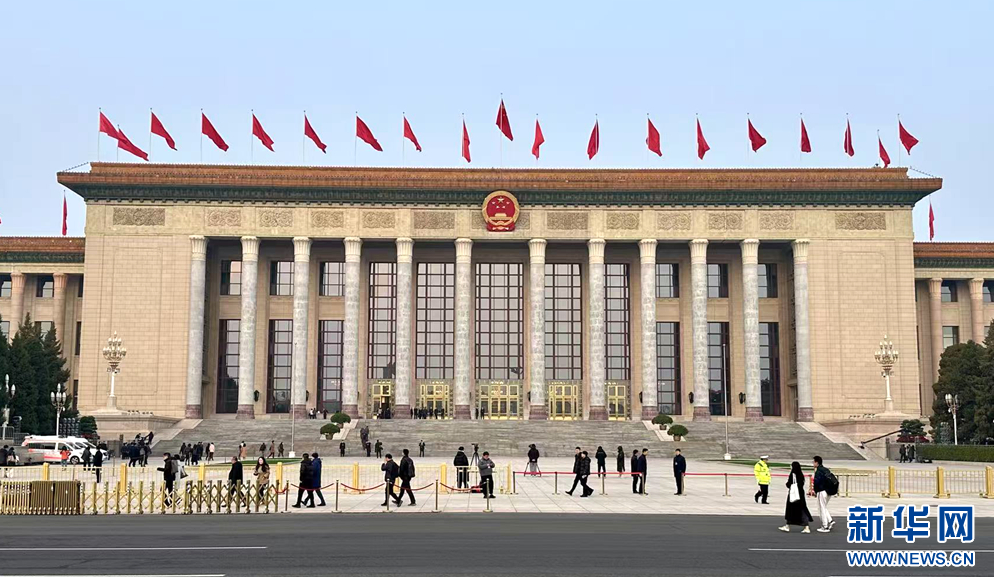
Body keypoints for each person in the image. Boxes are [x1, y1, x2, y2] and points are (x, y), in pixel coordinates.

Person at [779, 461, 813, 533]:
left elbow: (789, 484)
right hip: (800, 494)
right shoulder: (801, 474)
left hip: (793, 494)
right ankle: (806, 526)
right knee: (802, 509)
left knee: (790, 510)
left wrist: (787, 484)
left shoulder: (793, 475)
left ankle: (787, 526)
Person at [811, 455, 836, 533]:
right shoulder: (826, 470)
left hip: (821, 491)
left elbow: (817, 482)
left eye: (814, 462)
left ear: (817, 462)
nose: (813, 463)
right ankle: (830, 520)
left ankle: (825, 526)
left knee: (821, 508)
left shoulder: (818, 471)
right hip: (829, 491)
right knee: (824, 506)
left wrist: (815, 491)